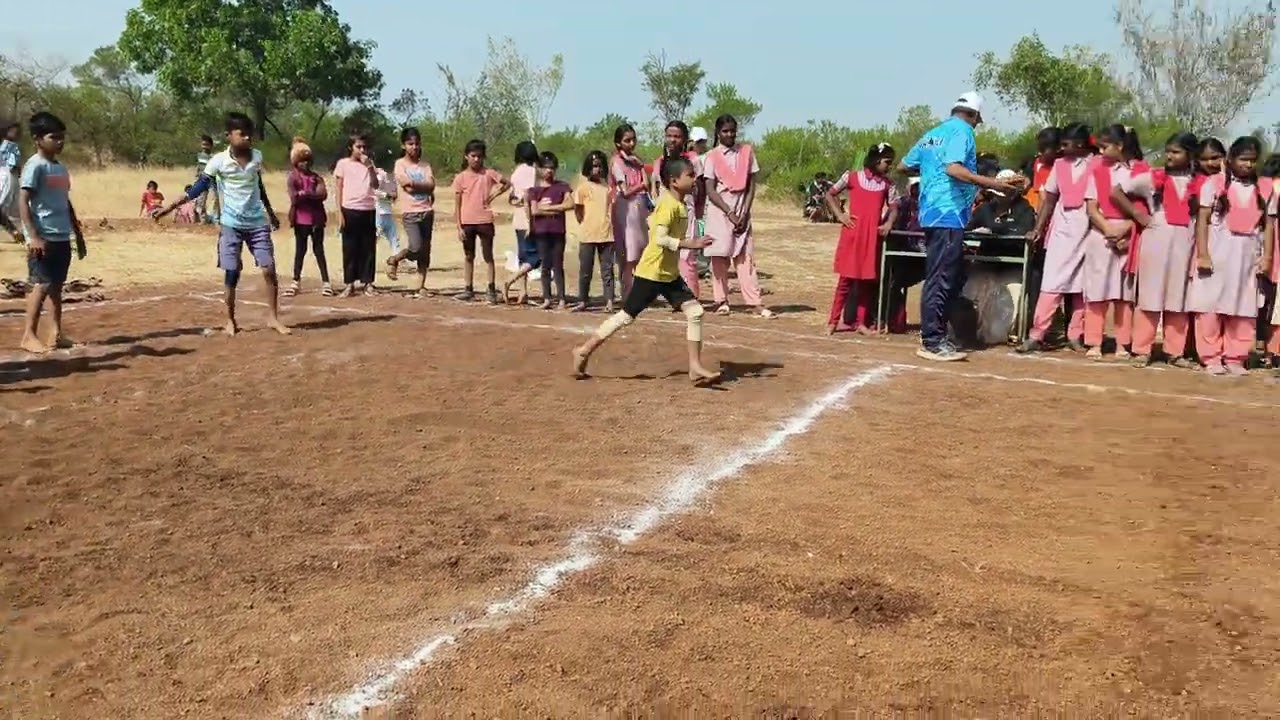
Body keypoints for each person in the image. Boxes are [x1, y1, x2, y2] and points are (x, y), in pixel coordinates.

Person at [571, 157, 718, 385]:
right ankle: (584, 350)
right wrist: (690, 244)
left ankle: (695, 367)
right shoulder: (667, 204)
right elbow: (659, 238)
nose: (694, 178)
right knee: (626, 317)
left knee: (695, 313)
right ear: (674, 181)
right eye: (690, 175)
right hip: (651, 273)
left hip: (668, 274)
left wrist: (692, 241)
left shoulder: (679, 204)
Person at [901, 91, 1020, 361]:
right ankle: (932, 340)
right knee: (941, 277)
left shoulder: (933, 133)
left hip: (932, 213)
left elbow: (904, 165)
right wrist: (993, 184)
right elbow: (954, 169)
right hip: (948, 213)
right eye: (978, 119)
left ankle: (936, 335)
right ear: (974, 115)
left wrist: (929, 173)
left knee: (942, 276)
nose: (977, 124)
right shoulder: (963, 132)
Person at [154, 112, 288, 336]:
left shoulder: (257, 157)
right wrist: (169, 207)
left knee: (269, 269)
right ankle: (230, 320)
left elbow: (259, 186)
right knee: (232, 271)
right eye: (242, 134)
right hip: (231, 225)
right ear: (229, 135)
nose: (247, 138)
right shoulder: (218, 161)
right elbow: (199, 187)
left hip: (257, 224)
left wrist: (271, 213)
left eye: (249, 134)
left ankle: (273, 318)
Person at [1110, 131, 1199, 368]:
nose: (1169, 156)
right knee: (1150, 294)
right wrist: (1138, 214)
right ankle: (1142, 349)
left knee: (1177, 297)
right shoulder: (1153, 176)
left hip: (1184, 240)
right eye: (1168, 151)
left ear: (1190, 155)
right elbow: (1116, 192)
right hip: (1156, 236)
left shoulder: (1198, 181)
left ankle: (1174, 351)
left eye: (1176, 152)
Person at [1188, 136, 1271, 375]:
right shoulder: (1214, 183)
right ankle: (1211, 356)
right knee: (1210, 305)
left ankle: (1235, 357)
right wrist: (1203, 254)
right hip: (1217, 253)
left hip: (1247, 257)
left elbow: (1268, 226)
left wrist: (1266, 258)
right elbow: (1202, 220)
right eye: (1243, 159)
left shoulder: (1264, 187)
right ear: (1231, 159)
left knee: (1243, 307)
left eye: (1252, 161)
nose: (1248, 165)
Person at [1020, 124, 1095, 354]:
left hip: (1090, 230)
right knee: (1052, 283)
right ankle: (1037, 334)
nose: (1061, 149)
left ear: (1080, 144)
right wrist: (1038, 228)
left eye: (1065, 144)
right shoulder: (1060, 166)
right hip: (1062, 230)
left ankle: (1075, 335)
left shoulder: (1097, 164)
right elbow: (1050, 199)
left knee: (1082, 287)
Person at [17, 111, 85, 353]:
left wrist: (76, 231)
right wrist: (33, 236)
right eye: (53, 137)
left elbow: (64, 201)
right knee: (41, 284)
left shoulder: (61, 168)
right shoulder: (34, 167)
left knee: (56, 286)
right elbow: (23, 201)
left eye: (61, 137)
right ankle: (28, 335)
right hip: (43, 237)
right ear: (37, 139)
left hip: (61, 235)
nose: (59, 142)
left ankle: (55, 334)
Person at [703, 114, 774, 318]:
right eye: (725, 131)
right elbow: (710, 189)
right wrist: (730, 212)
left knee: (746, 259)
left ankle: (755, 302)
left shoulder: (747, 151)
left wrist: (744, 212)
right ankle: (721, 300)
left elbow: (752, 185)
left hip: (742, 211)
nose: (730, 134)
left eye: (732, 130)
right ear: (718, 133)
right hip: (720, 211)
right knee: (719, 258)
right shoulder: (712, 156)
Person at [824, 142, 899, 334]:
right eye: (887, 162)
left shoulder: (888, 185)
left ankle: (861, 323)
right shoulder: (851, 177)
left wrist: (889, 224)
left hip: (872, 236)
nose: (889, 166)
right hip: (853, 234)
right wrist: (840, 215)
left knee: (867, 281)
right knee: (845, 281)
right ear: (876, 160)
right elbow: (830, 194)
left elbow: (894, 207)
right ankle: (833, 321)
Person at [451, 139, 510, 304]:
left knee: (488, 255)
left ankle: (490, 289)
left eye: (479, 156)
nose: (476, 159)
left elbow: (506, 183)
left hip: (484, 220)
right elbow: (457, 204)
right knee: (469, 255)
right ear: (466, 156)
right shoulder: (460, 178)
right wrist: (458, 226)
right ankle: (468, 288)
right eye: (473, 156)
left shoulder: (489, 174)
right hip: (467, 221)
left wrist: (493, 195)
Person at [654, 121, 705, 299]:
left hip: (687, 212)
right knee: (667, 252)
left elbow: (701, 189)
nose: (672, 140)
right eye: (669, 136)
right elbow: (655, 189)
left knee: (687, 256)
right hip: (665, 213)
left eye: (677, 136)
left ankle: (690, 297)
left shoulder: (693, 161)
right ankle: (672, 296)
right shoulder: (660, 162)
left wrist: (698, 212)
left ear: (684, 139)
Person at [387, 127, 436, 298]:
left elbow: (430, 185)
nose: (414, 147)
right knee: (415, 247)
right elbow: (406, 185)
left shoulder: (425, 165)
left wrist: (417, 186)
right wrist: (423, 186)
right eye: (410, 144)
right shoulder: (400, 164)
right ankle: (396, 259)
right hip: (410, 212)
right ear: (403, 145)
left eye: (416, 144)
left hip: (427, 211)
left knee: (425, 250)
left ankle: (421, 285)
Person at [284, 136, 332, 297]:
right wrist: (309, 194)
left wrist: (306, 193)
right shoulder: (293, 177)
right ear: (295, 161)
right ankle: (295, 281)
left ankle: (326, 282)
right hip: (300, 219)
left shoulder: (316, 177)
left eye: (307, 160)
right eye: (301, 160)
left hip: (317, 219)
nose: (304, 163)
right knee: (300, 250)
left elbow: (322, 194)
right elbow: (294, 197)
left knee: (319, 250)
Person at [526, 152, 573, 310]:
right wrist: (556, 210)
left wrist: (549, 208)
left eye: (552, 168)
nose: (549, 171)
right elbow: (534, 211)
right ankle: (547, 297)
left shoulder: (562, 186)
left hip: (558, 232)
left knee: (558, 265)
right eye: (546, 168)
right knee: (545, 265)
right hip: (542, 232)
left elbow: (570, 204)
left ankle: (561, 298)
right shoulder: (534, 190)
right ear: (539, 169)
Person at [334, 134, 379, 297]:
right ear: (350, 148)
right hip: (350, 209)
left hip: (368, 209)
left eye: (364, 147)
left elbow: (376, 184)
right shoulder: (343, 164)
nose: (362, 150)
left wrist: (369, 167)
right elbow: (338, 188)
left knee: (368, 247)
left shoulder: (369, 164)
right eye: (358, 147)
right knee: (350, 248)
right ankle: (349, 283)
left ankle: (368, 283)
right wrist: (339, 213)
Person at [572, 150, 615, 312]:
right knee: (585, 271)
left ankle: (609, 301)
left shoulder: (608, 189)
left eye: (599, 166)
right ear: (588, 168)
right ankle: (583, 300)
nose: (597, 169)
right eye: (594, 166)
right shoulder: (582, 188)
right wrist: (585, 224)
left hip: (606, 234)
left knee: (607, 271)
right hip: (587, 235)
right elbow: (578, 211)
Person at [611, 124, 650, 297]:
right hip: (625, 210)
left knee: (641, 250)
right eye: (627, 140)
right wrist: (641, 185)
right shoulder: (617, 163)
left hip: (639, 208)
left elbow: (647, 184)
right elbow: (625, 191)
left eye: (633, 139)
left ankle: (638, 291)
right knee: (628, 253)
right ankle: (627, 293)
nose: (631, 143)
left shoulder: (635, 161)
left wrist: (641, 167)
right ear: (618, 143)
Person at [502, 141, 541, 304]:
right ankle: (509, 281)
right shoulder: (533, 172)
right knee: (537, 258)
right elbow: (529, 197)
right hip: (530, 218)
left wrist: (516, 202)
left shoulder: (516, 172)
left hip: (518, 219)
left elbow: (512, 198)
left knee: (523, 256)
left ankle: (523, 291)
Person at [1023, 127, 1060, 212]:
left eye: (1043, 150)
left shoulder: (1068, 164)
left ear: (1058, 147)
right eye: (1039, 149)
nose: (1040, 153)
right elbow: (1042, 197)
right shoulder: (1039, 163)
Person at [1, 120, 23, 244]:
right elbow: (12, 162)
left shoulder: (9, 144)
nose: (15, 132)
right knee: (5, 201)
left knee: (14, 204)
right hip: (7, 174)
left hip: (9, 174)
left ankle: (16, 230)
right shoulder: (9, 144)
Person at [374, 163, 400, 257]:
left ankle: (397, 259)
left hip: (387, 211)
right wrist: (387, 195)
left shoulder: (392, 177)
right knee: (375, 237)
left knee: (394, 237)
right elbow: (374, 191)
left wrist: (391, 195)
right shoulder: (378, 175)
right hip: (377, 211)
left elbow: (394, 195)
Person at [195, 134, 219, 224]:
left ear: (211, 145)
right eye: (203, 144)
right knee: (201, 200)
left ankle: (216, 219)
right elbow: (198, 167)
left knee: (215, 199)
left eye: (206, 145)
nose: (204, 147)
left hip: (212, 180)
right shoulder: (199, 155)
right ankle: (203, 219)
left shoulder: (214, 157)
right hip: (202, 180)